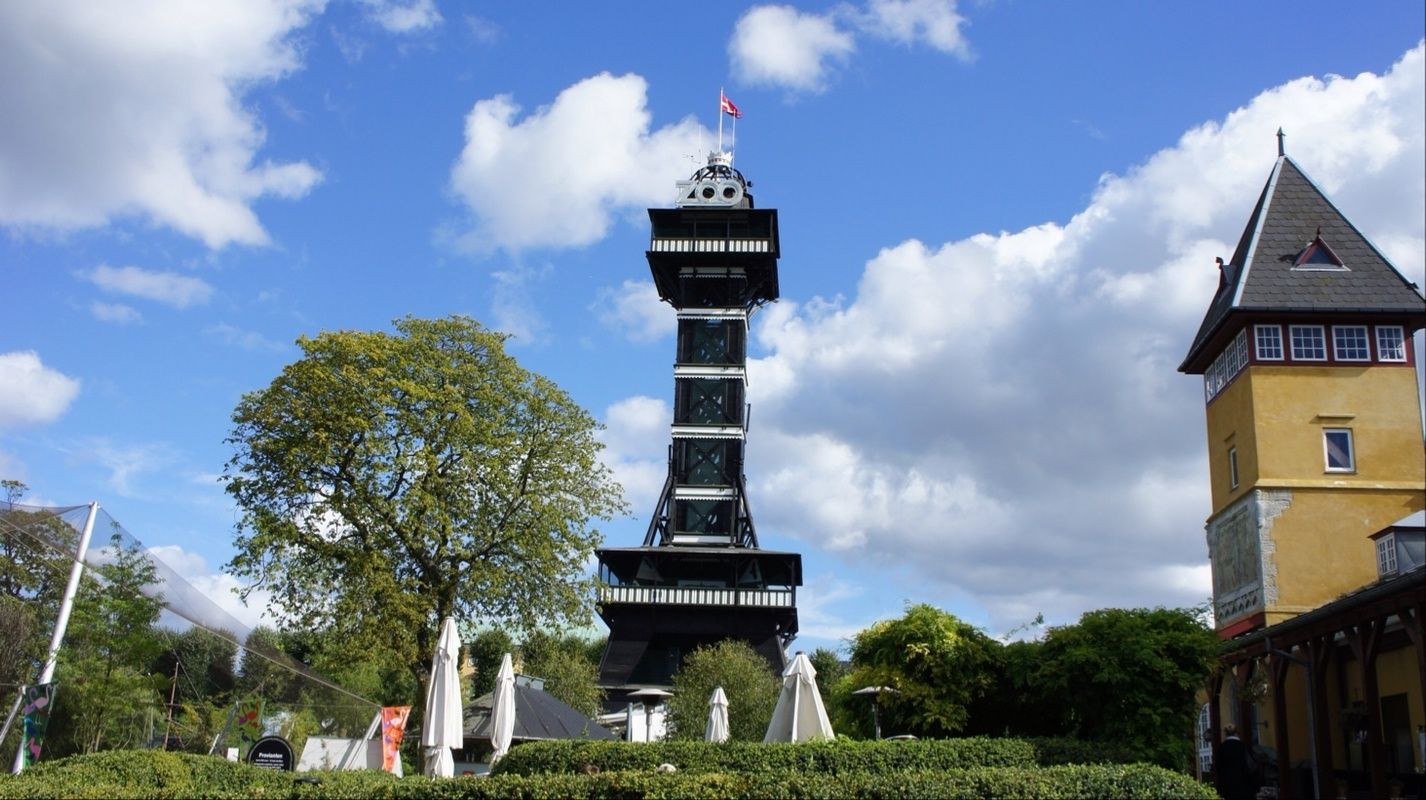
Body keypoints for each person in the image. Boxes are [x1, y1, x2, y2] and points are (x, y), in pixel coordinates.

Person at [1214, 723, 1258, 800]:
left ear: (1225, 734)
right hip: (1244, 787)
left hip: (1227, 788)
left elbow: (1218, 768)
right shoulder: (1242, 747)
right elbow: (1251, 767)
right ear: (1237, 733)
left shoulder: (1221, 748)